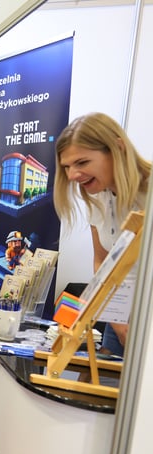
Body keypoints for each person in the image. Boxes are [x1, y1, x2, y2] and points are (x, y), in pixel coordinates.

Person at [54, 112, 150, 356]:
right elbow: (102, 261)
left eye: (82, 162)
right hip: (120, 317)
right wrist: (118, 321)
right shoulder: (97, 198)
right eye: (67, 167)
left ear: (118, 149)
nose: (72, 176)